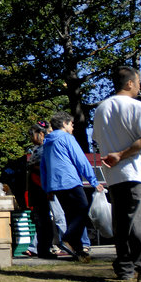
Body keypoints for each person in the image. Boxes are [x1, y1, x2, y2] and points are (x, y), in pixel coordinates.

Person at [92, 66, 141, 282]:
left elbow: (98, 139)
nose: (140, 87)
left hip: (114, 176)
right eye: (138, 82)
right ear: (129, 83)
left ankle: (125, 267)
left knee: (122, 224)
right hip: (137, 172)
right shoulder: (138, 107)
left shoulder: (101, 108)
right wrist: (121, 154)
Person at [40, 112, 104, 262]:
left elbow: (44, 167)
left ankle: (79, 252)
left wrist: (47, 188)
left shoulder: (47, 142)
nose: (72, 126)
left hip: (55, 184)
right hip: (70, 180)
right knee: (82, 210)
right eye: (71, 124)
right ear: (64, 124)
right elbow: (80, 159)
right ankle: (67, 239)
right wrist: (93, 180)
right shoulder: (67, 138)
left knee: (71, 216)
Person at [23, 122, 59, 259]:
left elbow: (47, 166)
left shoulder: (47, 148)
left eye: (33, 135)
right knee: (40, 219)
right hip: (36, 187)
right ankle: (42, 249)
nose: (31, 138)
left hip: (43, 186)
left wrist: (33, 167)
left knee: (45, 220)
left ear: (41, 134)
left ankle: (47, 247)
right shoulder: (36, 149)